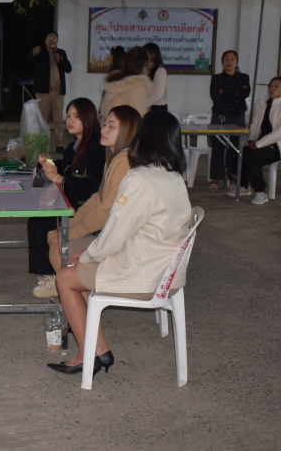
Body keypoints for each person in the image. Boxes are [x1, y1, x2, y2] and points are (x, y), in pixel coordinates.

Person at [48, 111, 191, 376]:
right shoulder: (174, 178)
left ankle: (87, 354)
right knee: (80, 270)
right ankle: (99, 349)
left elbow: (114, 235)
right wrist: (90, 255)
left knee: (66, 277)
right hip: (168, 273)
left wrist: (87, 256)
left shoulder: (139, 179)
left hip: (143, 272)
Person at [37, 106, 142, 296]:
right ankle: (81, 304)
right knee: (54, 241)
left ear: (127, 131)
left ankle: (80, 304)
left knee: (59, 250)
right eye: (104, 124)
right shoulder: (114, 158)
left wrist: (71, 233)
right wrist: (68, 227)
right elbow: (96, 199)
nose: (104, 130)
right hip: (111, 235)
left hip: (123, 245)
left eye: (111, 126)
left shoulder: (124, 161)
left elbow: (104, 210)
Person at [28, 98, 106, 279]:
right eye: (68, 116)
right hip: (71, 205)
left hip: (84, 211)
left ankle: (55, 276)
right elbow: (65, 166)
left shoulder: (97, 148)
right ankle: (46, 275)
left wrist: (57, 178)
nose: (70, 120)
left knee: (43, 231)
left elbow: (89, 189)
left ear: (88, 118)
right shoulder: (74, 146)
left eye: (76, 116)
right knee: (35, 222)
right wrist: (47, 163)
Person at [227, 77, 281, 205]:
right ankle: (244, 186)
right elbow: (255, 126)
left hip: (279, 146)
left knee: (253, 157)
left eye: (276, 86)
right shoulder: (264, 103)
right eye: (271, 86)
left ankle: (260, 192)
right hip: (261, 143)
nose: (272, 89)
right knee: (240, 153)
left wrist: (258, 144)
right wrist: (251, 139)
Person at [208, 50, 251, 192]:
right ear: (222, 61)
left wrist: (224, 92)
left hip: (237, 115)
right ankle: (215, 179)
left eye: (233, 58)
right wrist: (235, 93)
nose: (229, 61)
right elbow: (215, 97)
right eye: (226, 58)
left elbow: (245, 94)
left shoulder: (243, 77)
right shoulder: (216, 78)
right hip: (220, 115)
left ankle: (233, 179)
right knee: (217, 147)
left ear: (237, 62)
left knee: (235, 148)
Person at [28, 32, 73, 153]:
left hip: (57, 92)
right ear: (45, 40)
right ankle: (41, 144)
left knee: (58, 119)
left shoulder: (61, 53)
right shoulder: (41, 52)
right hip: (43, 92)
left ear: (57, 41)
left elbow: (68, 68)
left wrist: (60, 60)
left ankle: (59, 144)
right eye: (50, 38)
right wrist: (33, 53)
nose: (52, 40)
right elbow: (30, 58)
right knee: (42, 119)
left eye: (54, 38)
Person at [99, 47, 150, 119]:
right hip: (126, 126)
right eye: (147, 65)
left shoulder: (113, 82)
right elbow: (136, 119)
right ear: (143, 66)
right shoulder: (137, 87)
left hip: (108, 124)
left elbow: (103, 110)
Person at [143, 43, 168, 112]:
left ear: (153, 55)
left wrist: (144, 104)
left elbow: (159, 95)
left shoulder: (160, 70)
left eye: (146, 54)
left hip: (158, 109)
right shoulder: (146, 69)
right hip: (148, 107)